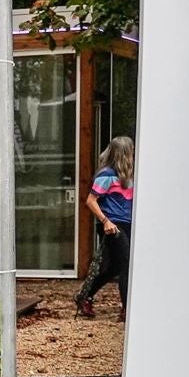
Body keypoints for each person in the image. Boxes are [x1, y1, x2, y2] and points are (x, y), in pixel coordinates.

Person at [75, 135, 134, 320]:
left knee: (115, 267)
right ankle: (127, 310)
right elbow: (91, 201)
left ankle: (85, 296)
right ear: (124, 153)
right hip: (113, 225)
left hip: (129, 223)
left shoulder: (131, 175)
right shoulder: (106, 174)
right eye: (131, 151)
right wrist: (105, 221)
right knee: (126, 264)